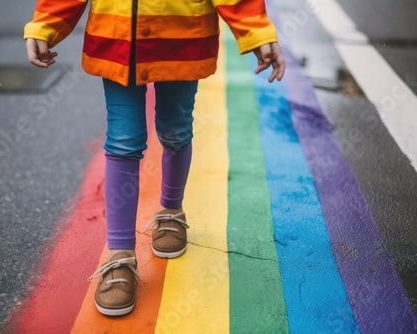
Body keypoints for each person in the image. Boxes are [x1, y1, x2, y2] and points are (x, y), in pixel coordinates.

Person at [25, 0, 285, 317]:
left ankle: (171, 211)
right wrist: (46, 24)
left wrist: (256, 30)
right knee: (122, 141)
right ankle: (120, 255)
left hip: (181, 37)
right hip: (117, 38)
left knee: (175, 131)